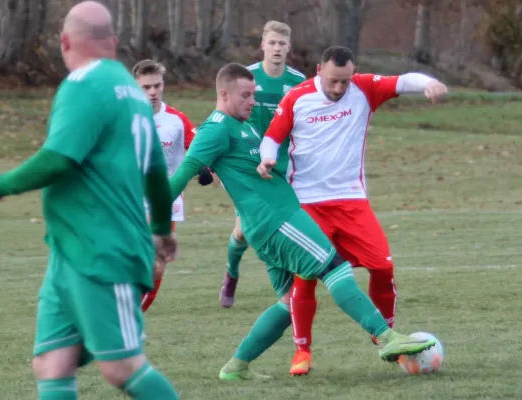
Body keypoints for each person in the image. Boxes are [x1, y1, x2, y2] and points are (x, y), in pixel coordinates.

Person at [168, 62, 437, 380]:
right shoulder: (215, 129)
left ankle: (236, 366)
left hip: (267, 223)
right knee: (335, 268)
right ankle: (387, 338)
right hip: (278, 220)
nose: (253, 101)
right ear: (224, 93)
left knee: (287, 302)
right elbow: (180, 177)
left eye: (253, 94)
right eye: (246, 95)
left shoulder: (239, 124)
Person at [0, 2, 179, 399]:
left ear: (65, 41)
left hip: (105, 250)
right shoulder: (132, 92)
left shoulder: (84, 84)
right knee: (52, 362)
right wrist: (160, 230)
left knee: (122, 366)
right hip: (71, 251)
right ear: (114, 43)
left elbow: (57, 160)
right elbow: (156, 172)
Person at [258, 45, 449, 376]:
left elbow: (403, 81)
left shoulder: (364, 88)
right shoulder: (297, 97)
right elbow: (271, 138)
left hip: (351, 200)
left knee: (383, 267)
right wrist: (267, 158)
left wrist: (429, 82)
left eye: (344, 82)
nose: (338, 89)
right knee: (306, 277)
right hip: (307, 202)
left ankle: (388, 339)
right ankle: (302, 351)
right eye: (333, 81)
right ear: (319, 70)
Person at [218, 21, 306, 308]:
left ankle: (291, 288)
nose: (277, 48)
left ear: (288, 47)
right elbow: (226, 117)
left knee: (289, 224)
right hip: (247, 164)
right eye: (272, 43)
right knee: (243, 230)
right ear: (263, 46)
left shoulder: (298, 82)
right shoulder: (248, 78)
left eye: (282, 43)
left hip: (284, 168)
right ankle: (231, 274)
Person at [132, 59, 212, 313]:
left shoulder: (177, 120)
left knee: (158, 266)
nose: (152, 92)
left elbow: (197, 148)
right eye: (146, 87)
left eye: (156, 86)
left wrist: (204, 168)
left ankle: (131, 319)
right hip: (129, 200)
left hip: (166, 200)